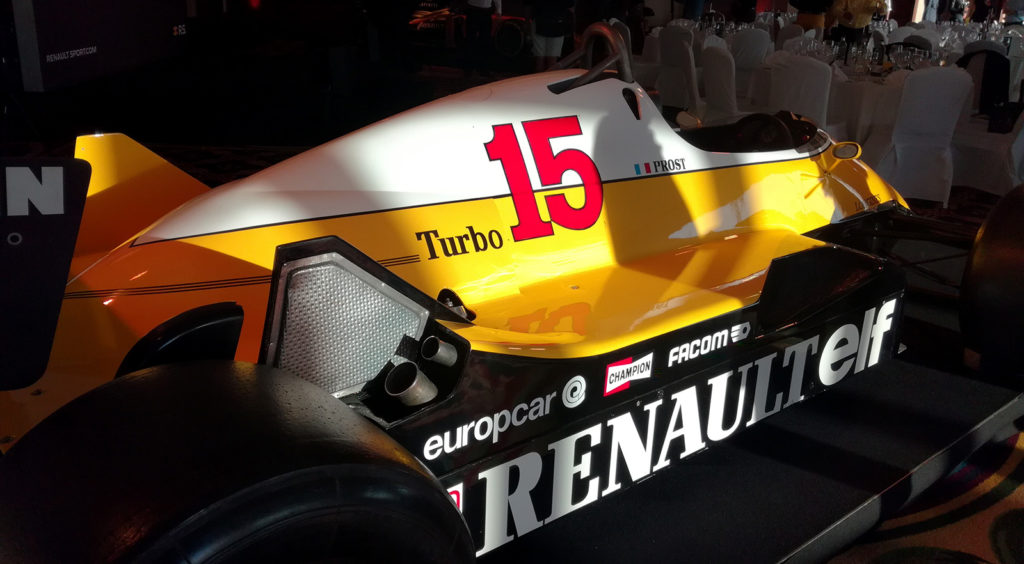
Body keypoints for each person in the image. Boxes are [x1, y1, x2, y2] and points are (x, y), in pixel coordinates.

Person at [526, 0, 575, 72]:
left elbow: (528, 5)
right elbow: (571, 7)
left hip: (539, 21)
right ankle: (549, 77)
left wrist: (527, 22)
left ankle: (540, 77)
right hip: (557, 22)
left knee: (540, 60)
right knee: (552, 62)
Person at [465, 0, 502, 75]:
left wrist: (498, 11)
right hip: (473, 10)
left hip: (484, 11)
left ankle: (481, 68)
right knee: (471, 40)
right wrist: (498, 11)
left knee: (484, 40)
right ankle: (469, 67)